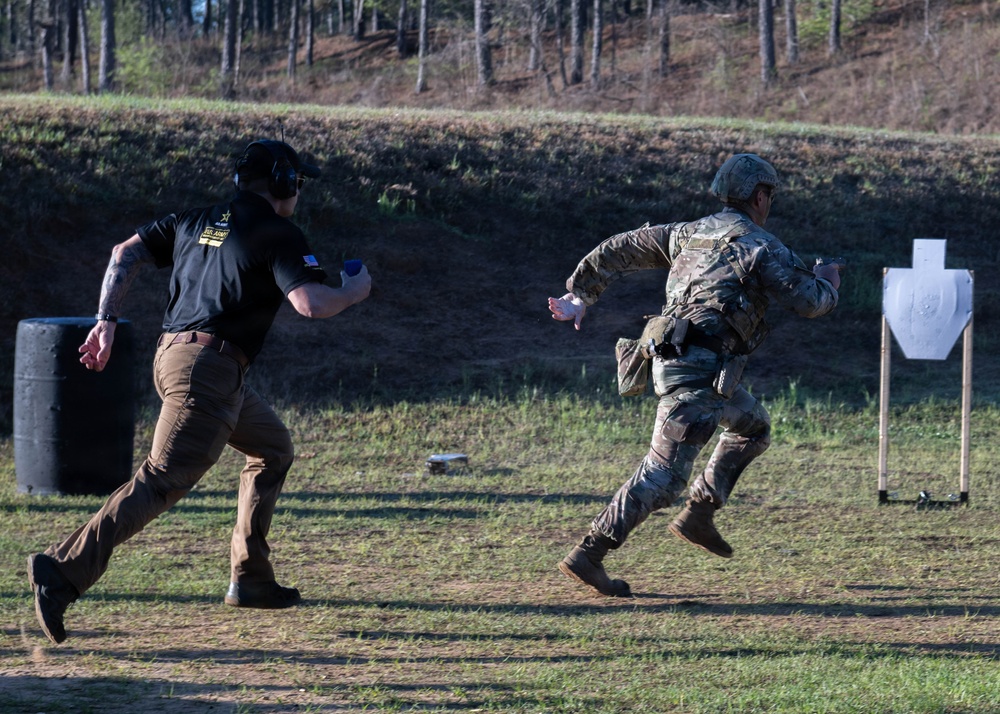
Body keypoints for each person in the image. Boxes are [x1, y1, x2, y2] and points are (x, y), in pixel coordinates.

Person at [27, 139, 372, 644]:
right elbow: (311, 303)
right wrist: (354, 290)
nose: (297, 189)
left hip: (180, 362)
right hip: (208, 371)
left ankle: (250, 580)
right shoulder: (278, 230)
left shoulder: (194, 219)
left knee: (272, 448)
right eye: (296, 180)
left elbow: (125, 253)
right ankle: (63, 569)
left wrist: (106, 321)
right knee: (161, 479)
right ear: (282, 181)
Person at [548, 153, 842, 598]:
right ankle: (590, 553)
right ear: (760, 196)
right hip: (698, 369)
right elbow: (809, 302)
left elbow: (621, 246)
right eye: (769, 195)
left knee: (753, 427)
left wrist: (580, 294)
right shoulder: (760, 247)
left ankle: (700, 514)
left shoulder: (688, 234)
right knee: (663, 475)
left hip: (690, 361)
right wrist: (829, 282)